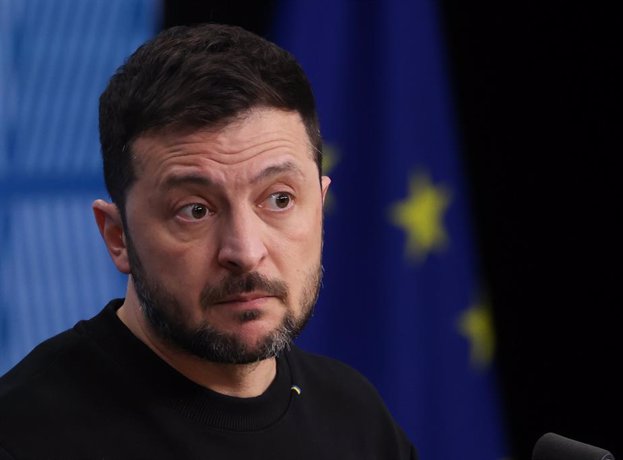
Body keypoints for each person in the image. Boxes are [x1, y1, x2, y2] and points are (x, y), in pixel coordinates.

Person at [0, 23, 417, 459]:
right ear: (117, 236)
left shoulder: (357, 422)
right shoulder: (22, 438)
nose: (244, 251)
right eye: (195, 210)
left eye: (279, 199)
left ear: (320, 204)